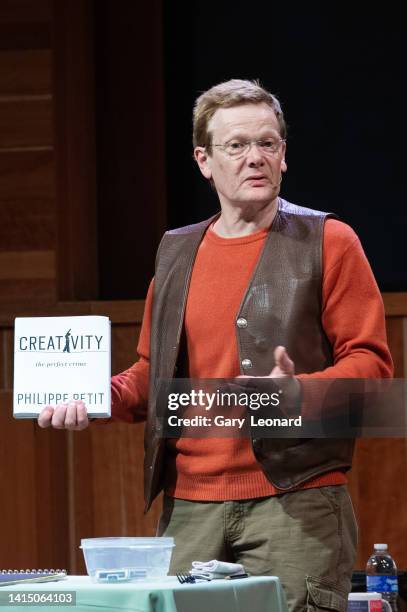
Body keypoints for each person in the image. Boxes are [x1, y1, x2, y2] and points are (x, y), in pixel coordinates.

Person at [39, 79, 393, 611]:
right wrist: (91, 397)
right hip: (189, 511)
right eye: (237, 146)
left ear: (284, 155)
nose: (256, 158)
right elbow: (150, 376)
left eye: (268, 144)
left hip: (295, 501)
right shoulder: (176, 252)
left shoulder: (329, 242)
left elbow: (373, 369)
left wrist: (299, 394)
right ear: (204, 161)